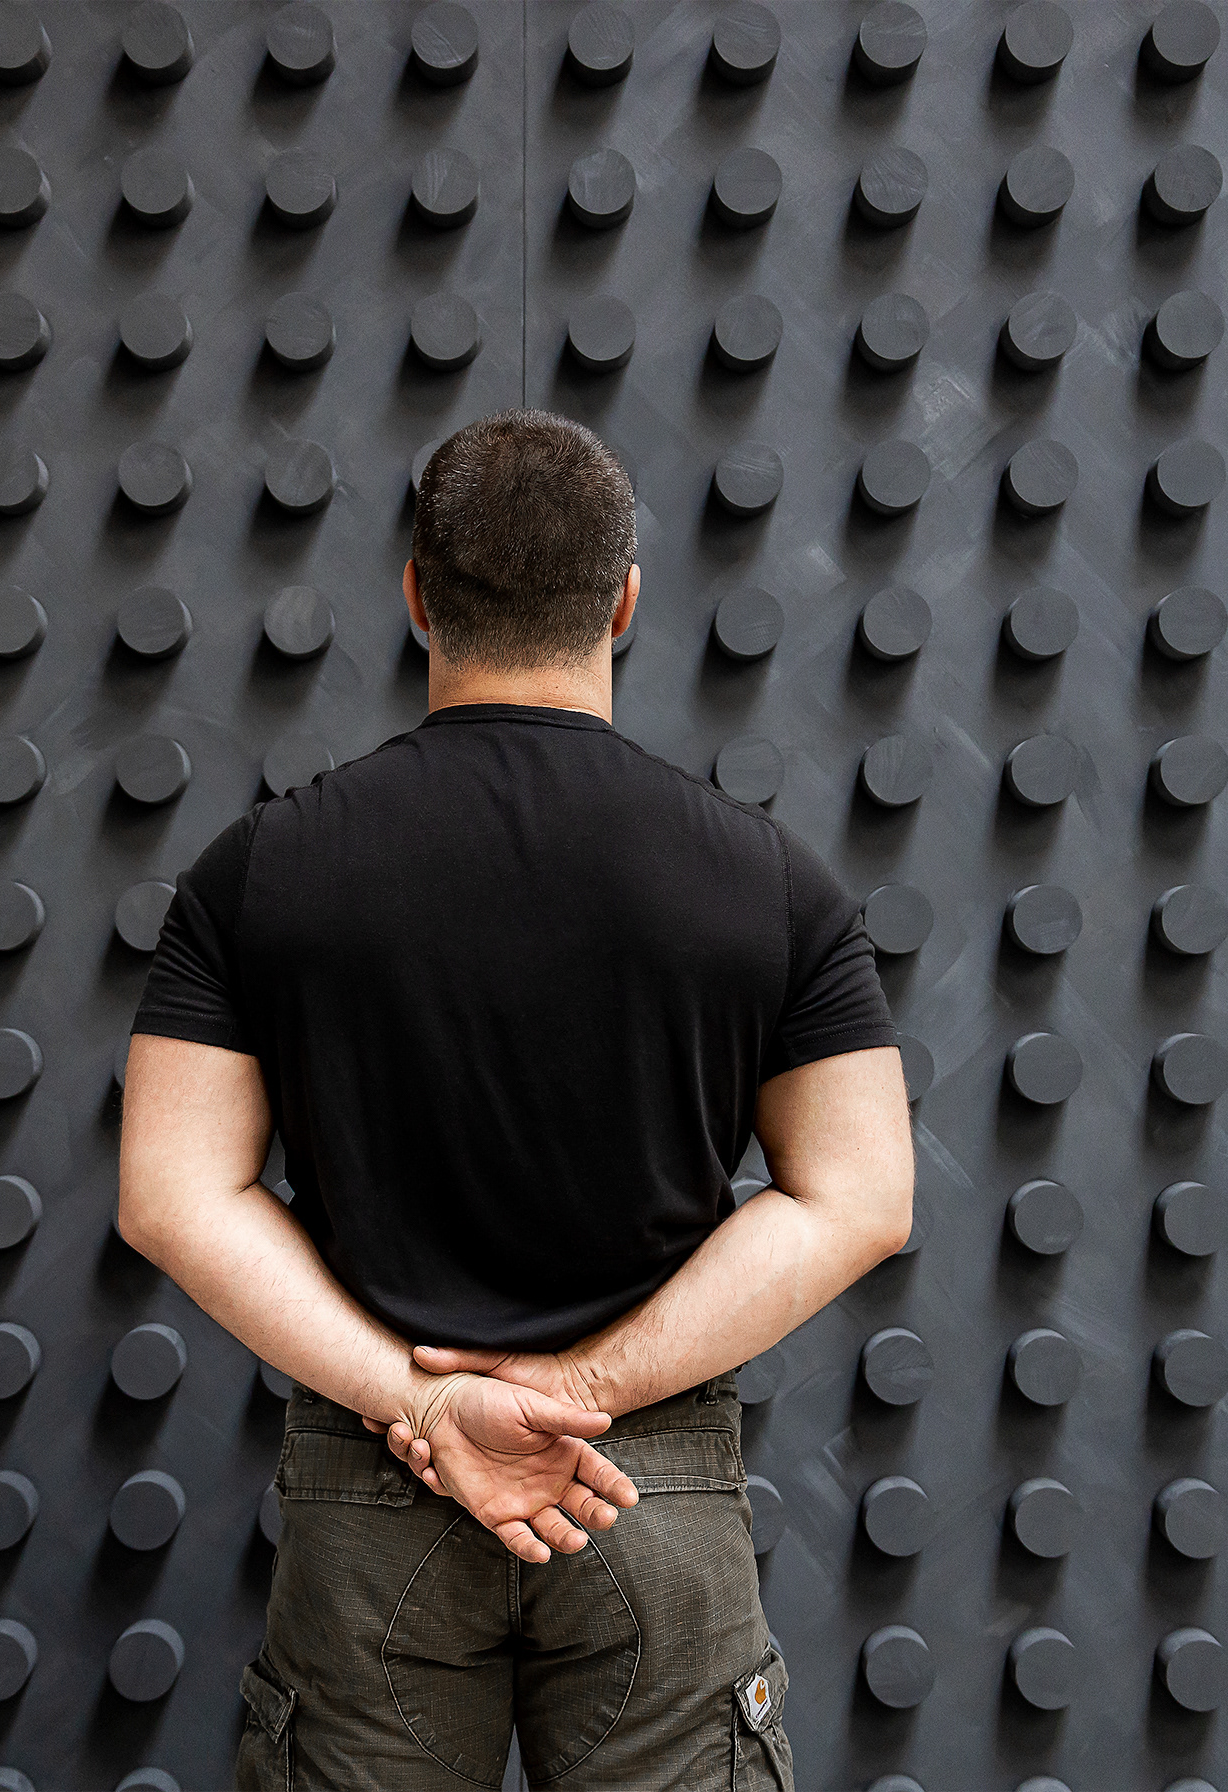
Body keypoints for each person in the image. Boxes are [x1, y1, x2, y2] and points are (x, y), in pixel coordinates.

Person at [118, 408, 915, 1791]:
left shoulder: (261, 870)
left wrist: (422, 1406)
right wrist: (586, 1390)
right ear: (624, 603)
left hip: (383, 1474)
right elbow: (860, 1199)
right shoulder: (770, 882)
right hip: (640, 1475)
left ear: (416, 596)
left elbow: (173, 1196)